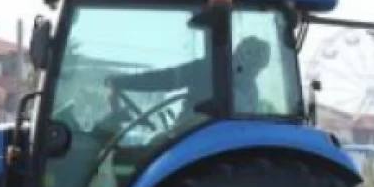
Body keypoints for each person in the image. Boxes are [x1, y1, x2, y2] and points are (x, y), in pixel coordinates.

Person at [106, 35, 273, 121]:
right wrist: (124, 82)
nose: (250, 69)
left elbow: (165, 79)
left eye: (254, 63)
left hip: (196, 134)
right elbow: (166, 79)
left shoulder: (208, 69)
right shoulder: (250, 92)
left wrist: (122, 82)